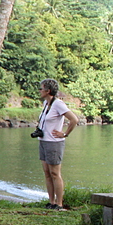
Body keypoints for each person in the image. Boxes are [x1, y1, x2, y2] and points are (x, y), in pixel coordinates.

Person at [36, 78, 79, 210]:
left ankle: (59, 204)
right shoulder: (46, 103)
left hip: (54, 143)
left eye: (41, 88)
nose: (39, 91)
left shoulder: (58, 104)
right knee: (47, 172)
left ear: (48, 91)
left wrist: (65, 133)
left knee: (55, 173)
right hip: (43, 141)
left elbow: (74, 119)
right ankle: (51, 201)